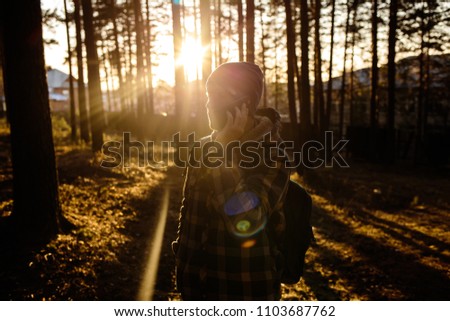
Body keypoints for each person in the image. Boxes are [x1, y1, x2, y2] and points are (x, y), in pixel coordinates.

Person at [172, 62, 290, 300]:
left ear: (244, 104)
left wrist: (221, 153)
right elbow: (189, 209)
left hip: (244, 289)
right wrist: (182, 261)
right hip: (195, 289)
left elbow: (244, 221)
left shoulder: (272, 154)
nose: (208, 104)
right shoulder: (205, 146)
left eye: (217, 95)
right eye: (208, 95)